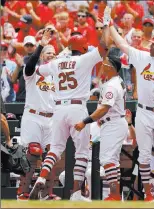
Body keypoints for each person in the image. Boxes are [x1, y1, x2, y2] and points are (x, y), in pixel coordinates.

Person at [104, 6, 154, 201]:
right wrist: (109, 23)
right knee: (143, 156)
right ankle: (149, 193)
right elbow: (121, 44)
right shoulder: (142, 57)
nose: (150, 45)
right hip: (143, 113)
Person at [29, 33, 107, 201]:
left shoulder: (56, 62)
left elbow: (36, 71)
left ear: (70, 47)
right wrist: (107, 25)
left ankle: (42, 176)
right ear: (84, 47)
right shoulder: (84, 59)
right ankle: (76, 192)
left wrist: (60, 60)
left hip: (58, 109)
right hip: (77, 107)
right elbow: (105, 46)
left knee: (55, 149)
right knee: (82, 152)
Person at [75, 47, 128, 201]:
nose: (102, 66)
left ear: (111, 67)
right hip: (114, 122)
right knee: (113, 161)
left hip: (113, 123)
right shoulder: (114, 81)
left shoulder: (112, 85)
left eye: (105, 64)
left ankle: (115, 195)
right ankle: (116, 194)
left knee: (107, 160)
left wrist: (85, 121)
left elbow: (104, 108)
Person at [16, 30, 59, 201]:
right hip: (33, 116)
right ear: (41, 55)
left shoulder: (57, 76)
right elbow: (31, 62)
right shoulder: (32, 71)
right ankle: (23, 192)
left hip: (51, 118)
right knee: (33, 153)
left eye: (54, 54)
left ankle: (47, 193)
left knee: (52, 154)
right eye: (48, 53)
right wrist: (41, 43)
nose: (51, 56)